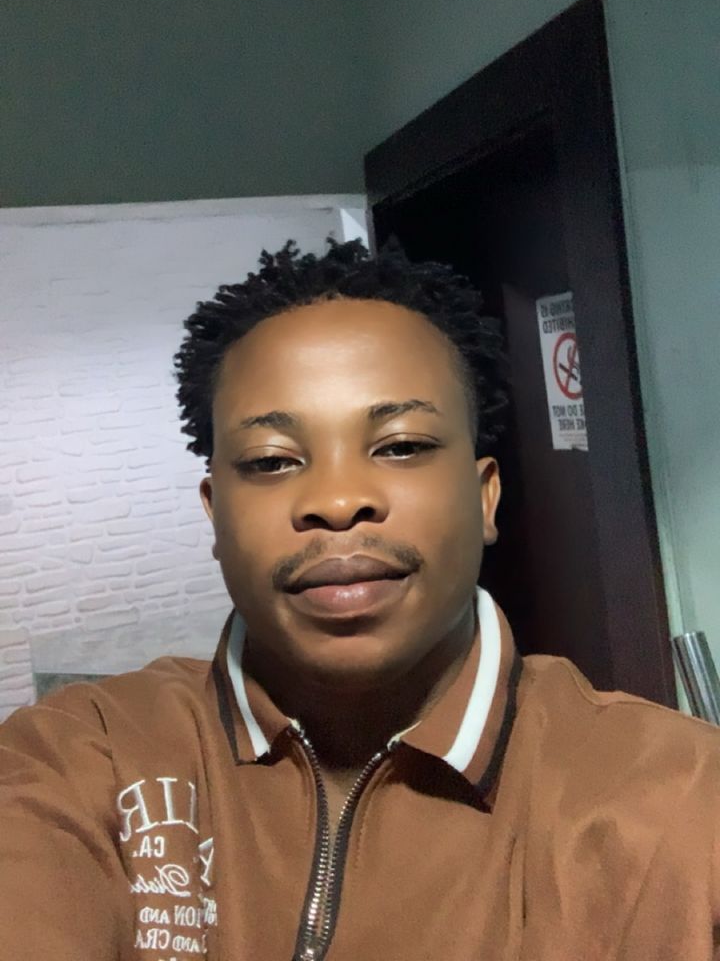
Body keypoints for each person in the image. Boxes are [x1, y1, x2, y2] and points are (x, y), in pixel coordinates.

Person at [1, 238, 719, 961]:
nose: (339, 501)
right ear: (215, 515)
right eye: (272, 461)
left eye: (401, 446)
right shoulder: (77, 756)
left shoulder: (681, 794)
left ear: (484, 496)